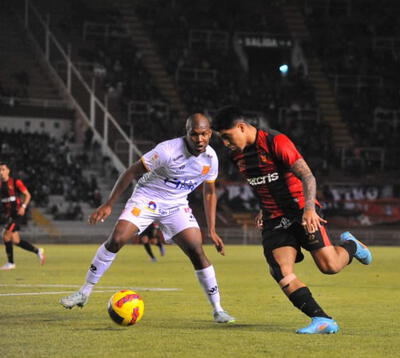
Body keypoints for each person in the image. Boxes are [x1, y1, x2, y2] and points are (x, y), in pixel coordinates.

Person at [59, 113, 235, 323]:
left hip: (176, 206)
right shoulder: (167, 150)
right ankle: (84, 292)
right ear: (186, 133)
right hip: (147, 198)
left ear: (210, 133)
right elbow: (132, 171)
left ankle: (218, 309)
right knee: (117, 239)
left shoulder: (211, 158)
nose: (199, 140)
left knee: (197, 251)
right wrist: (109, 204)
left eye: (204, 134)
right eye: (194, 134)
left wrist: (212, 230)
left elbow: (209, 192)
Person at [213, 106, 372, 334]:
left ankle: (351, 246)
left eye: (227, 137)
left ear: (241, 127)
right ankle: (322, 319)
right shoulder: (235, 154)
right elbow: (260, 182)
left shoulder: (275, 141)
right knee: (279, 269)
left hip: (301, 211)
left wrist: (309, 210)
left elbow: (307, 175)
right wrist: (262, 208)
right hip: (273, 218)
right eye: (222, 140)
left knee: (330, 266)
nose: (226, 144)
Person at [0, 162, 45, 270]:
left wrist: (23, 206)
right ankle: (38, 251)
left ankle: (11, 263)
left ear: (8, 171)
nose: (1, 172)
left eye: (3, 169)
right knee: (16, 241)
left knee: (6, 236)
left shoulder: (15, 182)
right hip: (9, 215)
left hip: (18, 214)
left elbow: (28, 195)